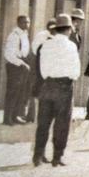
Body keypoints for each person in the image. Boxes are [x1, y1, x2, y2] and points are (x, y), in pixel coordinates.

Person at [33, 14, 81, 167]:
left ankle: (38, 156)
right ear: (68, 30)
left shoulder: (46, 45)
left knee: (43, 122)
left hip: (47, 85)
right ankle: (57, 156)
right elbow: (76, 71)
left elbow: (42, 70)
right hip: (64, 87)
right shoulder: (71, 46)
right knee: (62, 123)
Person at [3, 15, 31, 125]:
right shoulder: (14, 36)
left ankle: (15, 116)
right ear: (18, 23)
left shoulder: (24, 35)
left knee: (20, 92)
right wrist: (21, 63)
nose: (27, 25)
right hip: (14, 65)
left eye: (28, 22)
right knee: (12, 92)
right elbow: (8, 55)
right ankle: (7, 118)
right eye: (24, 22)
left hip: (22, 65)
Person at [27, 19, 57, 123]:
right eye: (51, 28)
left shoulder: (54, 38)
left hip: (46, 68)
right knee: (36, 90)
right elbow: (35, 50)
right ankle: (32, 116)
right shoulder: (42, 36)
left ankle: (40, 116)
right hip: (38, 65)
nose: (53, 30)